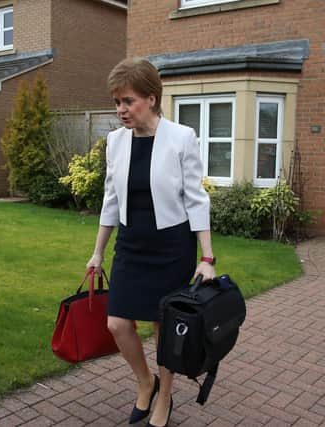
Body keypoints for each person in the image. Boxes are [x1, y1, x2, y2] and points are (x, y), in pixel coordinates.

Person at [86, 57, 216, 427]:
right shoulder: (115, 141)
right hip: (130, 245)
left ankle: (164, 398)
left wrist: (207, 257)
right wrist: (97, 252)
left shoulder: (181, 138)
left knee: (165, 330)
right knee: (117, 324)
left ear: (152, 98)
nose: (121, 110)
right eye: (116, 102)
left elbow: (196, 199)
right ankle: (146, 382)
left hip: (171, 246)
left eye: (128, 101)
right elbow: (111, 199)